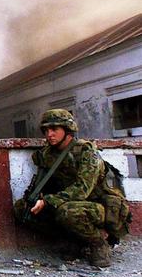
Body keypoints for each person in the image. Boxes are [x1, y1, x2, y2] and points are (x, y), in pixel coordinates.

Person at [14, 109, 131, 267]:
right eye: (46, 130)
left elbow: (82, 190)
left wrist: (48, 201)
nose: (49, 134)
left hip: (97, 206)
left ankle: (98, 244)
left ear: (67, 129)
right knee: (23, 208)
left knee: (67, 211)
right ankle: (74, 240)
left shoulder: (87, 152)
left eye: (54, 129)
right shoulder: (48, 154)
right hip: (67, 202)